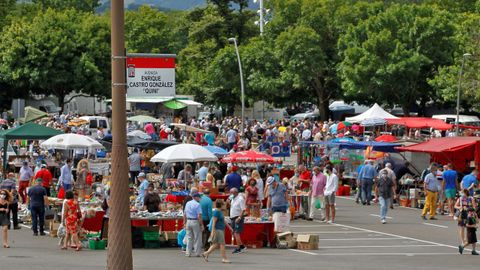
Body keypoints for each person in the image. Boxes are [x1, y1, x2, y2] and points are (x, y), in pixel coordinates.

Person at [184, 192, 204, 257]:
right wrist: (201, 224)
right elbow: (199, 216)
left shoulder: (187, 203)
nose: (199, 198)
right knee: (197, 237)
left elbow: (184, 214)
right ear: (196, 197)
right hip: (195, 221)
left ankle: (188, 252)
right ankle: (197, 252)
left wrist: (184, 222)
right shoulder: (197, 204)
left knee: (189, 237)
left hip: (188, 221)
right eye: (199, 197)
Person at [228, 188, 246, 254]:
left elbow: (243, 209)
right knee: (234, 232)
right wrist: (228, 202)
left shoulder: (240, 199)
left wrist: (239, 217)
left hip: (237, 217)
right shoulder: (233, 198)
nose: (230, 194)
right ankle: (241, 246)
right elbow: (233, 207)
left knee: (236, 233)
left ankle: (239, 248)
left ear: (235, 192)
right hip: (233, 217)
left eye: (231, 192)